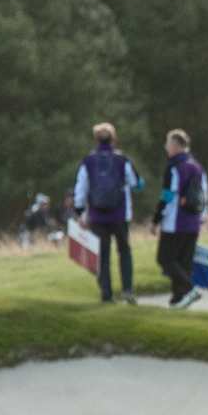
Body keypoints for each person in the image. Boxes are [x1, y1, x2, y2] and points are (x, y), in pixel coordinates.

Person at [75, 121, 138, 305]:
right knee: (124, 252)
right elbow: (134, 182)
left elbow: (80, 189)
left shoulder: (88, 161)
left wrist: (80, 213)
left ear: (95, 139)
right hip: (120, 214)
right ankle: (127, 290)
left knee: (102, 255)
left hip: (97, 216)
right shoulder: (122, 160)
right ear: (114, 138)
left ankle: (106, 294)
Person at [151, 129, 208, 309]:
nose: (166, 147)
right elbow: (205, 194)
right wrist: (202, 216)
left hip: (175, 223)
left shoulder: (174, 167)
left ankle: (190, 290)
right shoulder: (198, 167)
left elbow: (168, 196)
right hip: (193, 223)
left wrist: (156, 219)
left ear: (176, 146)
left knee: (165, 259)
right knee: (183, 263)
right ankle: (177, 299)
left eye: (168, 144)